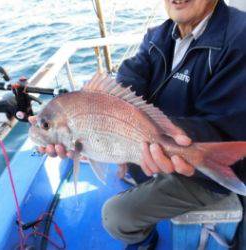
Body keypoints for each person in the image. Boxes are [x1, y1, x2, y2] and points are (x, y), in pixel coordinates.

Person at [29, 0, 246, 249]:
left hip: (200, 171)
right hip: (155, 150)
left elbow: (229, 125)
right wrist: (104, 118)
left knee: (116, 217)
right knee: (120, 159)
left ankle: (145, 240)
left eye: (46, 127)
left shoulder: (240, 38)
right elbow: (131, 77)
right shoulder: (159, 35)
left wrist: (169, 139)